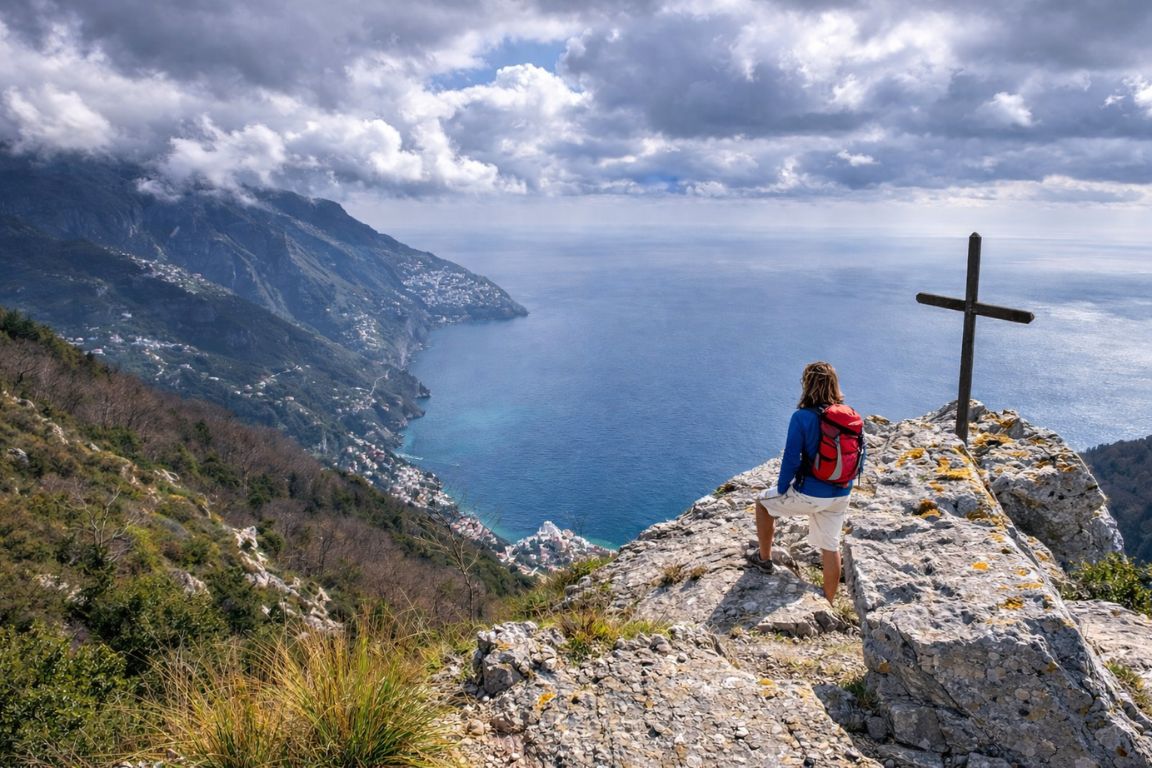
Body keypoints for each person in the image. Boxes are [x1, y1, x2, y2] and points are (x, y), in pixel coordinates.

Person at [748, 361, 858, 603]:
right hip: (841, 493)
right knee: (830, 545)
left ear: (807, 385)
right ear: (834, 384)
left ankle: (764, 560)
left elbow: (791, 456)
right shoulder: (849, 416)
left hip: (811, 493)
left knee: (763, 504)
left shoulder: (802, 417)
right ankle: (829, 602)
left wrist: (782, 488)